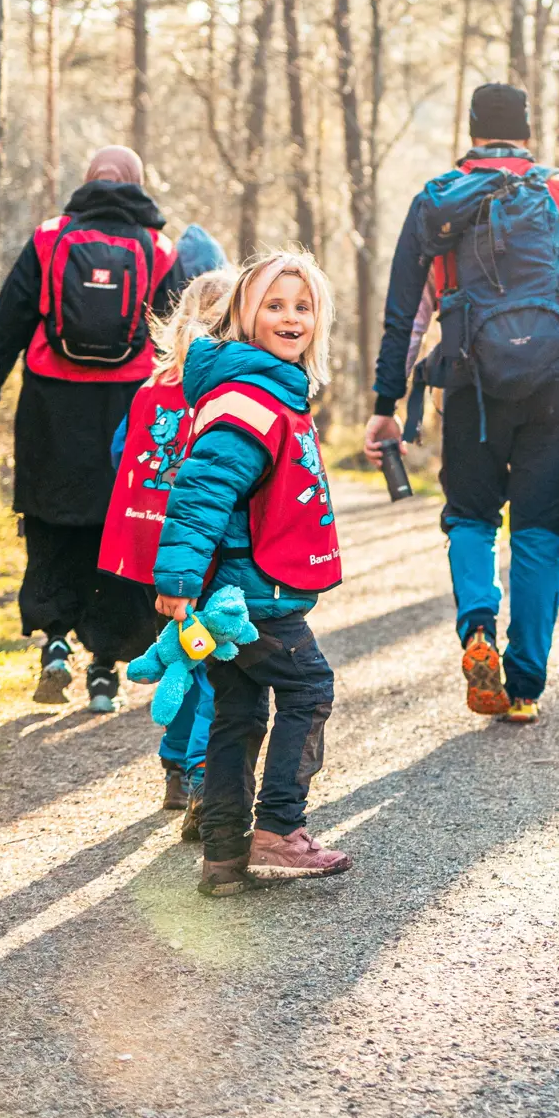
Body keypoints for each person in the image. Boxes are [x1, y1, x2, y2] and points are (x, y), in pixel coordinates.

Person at [364, 82, 559, 723]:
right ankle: (523, 689)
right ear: (527, 131)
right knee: (539, 535)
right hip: (555, 388)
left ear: (472, 130)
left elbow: (406, 316)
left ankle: (477, 628)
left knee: (471, 518)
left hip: (469, 388)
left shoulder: (437, 202)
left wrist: (386, 402)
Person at [0, 146, 191, 711]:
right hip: (129, 415)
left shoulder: (47, 239)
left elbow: (2, 328)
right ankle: (106, 671)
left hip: (49, 409)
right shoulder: (159, 250)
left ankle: (55, 643)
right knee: (117, 531)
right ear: (137, 184)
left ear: (88, 183)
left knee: (48, 524)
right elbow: (187, 344)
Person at [152, 251, 352, 897]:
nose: (290, 317)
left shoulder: (265, 389)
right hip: (251, 594)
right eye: (274, 305)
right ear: (245, 313)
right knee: (308, 688)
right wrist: (177, 579)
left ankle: (224, 856)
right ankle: (278, 831)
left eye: (302, 306)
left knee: (237, 715)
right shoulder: (250, 398)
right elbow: (202, 489)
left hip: (239, 590)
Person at [100, 266, 234, 824]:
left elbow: (118, 454)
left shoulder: (151, 387)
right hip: (201, 548)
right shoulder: (225, 388)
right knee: (210, 664)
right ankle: (201, 772)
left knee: (181, 653)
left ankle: (175, 770)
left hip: (153, 547)